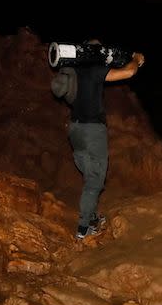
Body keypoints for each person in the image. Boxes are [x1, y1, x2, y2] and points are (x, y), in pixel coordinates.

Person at [52, 41, 145, 239]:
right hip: (93, 131)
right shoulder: (94, 70)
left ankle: (92, 216)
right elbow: (128, 73)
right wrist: (135, 59)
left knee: (90, 174)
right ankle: (84, 228)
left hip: (75, 129)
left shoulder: (73, 69)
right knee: (95, 179)